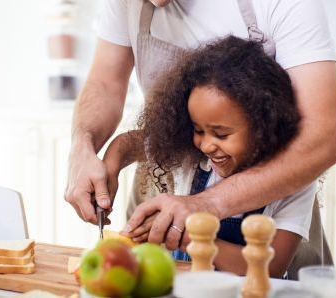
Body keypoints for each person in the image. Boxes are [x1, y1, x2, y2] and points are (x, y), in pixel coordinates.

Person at [63, 0, 336, 253]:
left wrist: (205, 205)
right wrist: (83, 148)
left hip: (265, 224)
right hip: (162, 207)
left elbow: (324, 140)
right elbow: (105, 85)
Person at [104, 35, 314, 278]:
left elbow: (271, 267)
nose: (205, 145)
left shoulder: (294, 184)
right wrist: (110, 164)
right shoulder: (193, 157)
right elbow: (128, 143)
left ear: (264, 127)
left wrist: (192, 236)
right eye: (198, 130)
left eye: (221, 134)